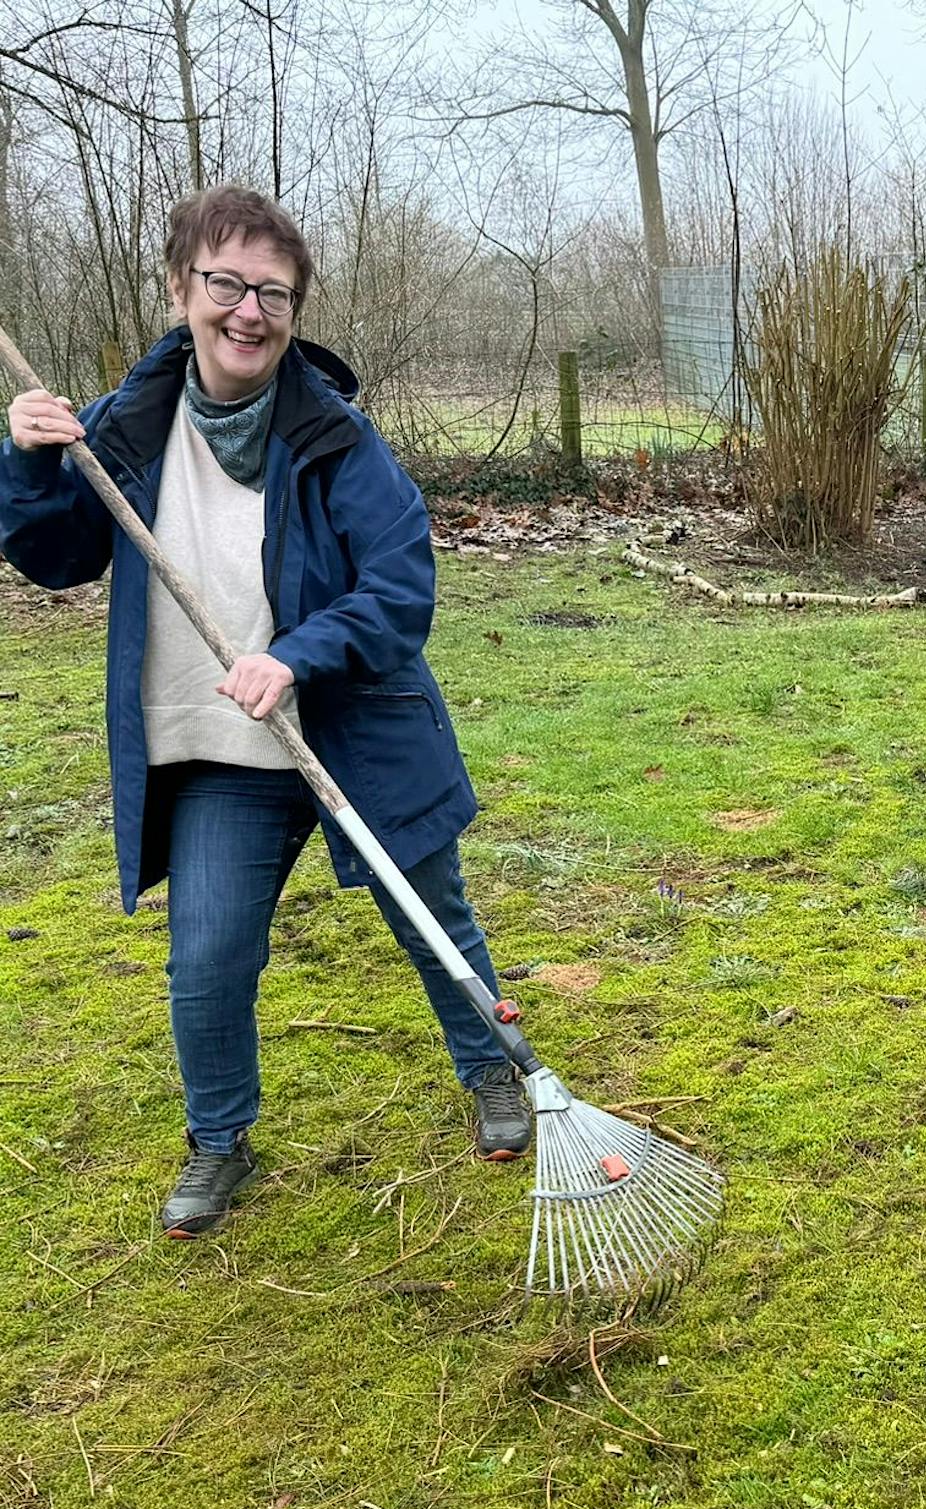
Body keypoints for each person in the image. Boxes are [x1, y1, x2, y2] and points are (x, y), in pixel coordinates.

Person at [0, 184, 532, 1237]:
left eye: (273, 294)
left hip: (356, 733)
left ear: (296, 309)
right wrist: (26, 460)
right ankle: (217, 1139)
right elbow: (54, 556)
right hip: (216, 752)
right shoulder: (125, 427)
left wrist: (293, 656)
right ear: (180, 288)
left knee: (432, 919)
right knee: (206, 952)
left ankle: (498, 1072)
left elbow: (399, 590)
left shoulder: (336, 438)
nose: (248, 311)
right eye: (226, 284)